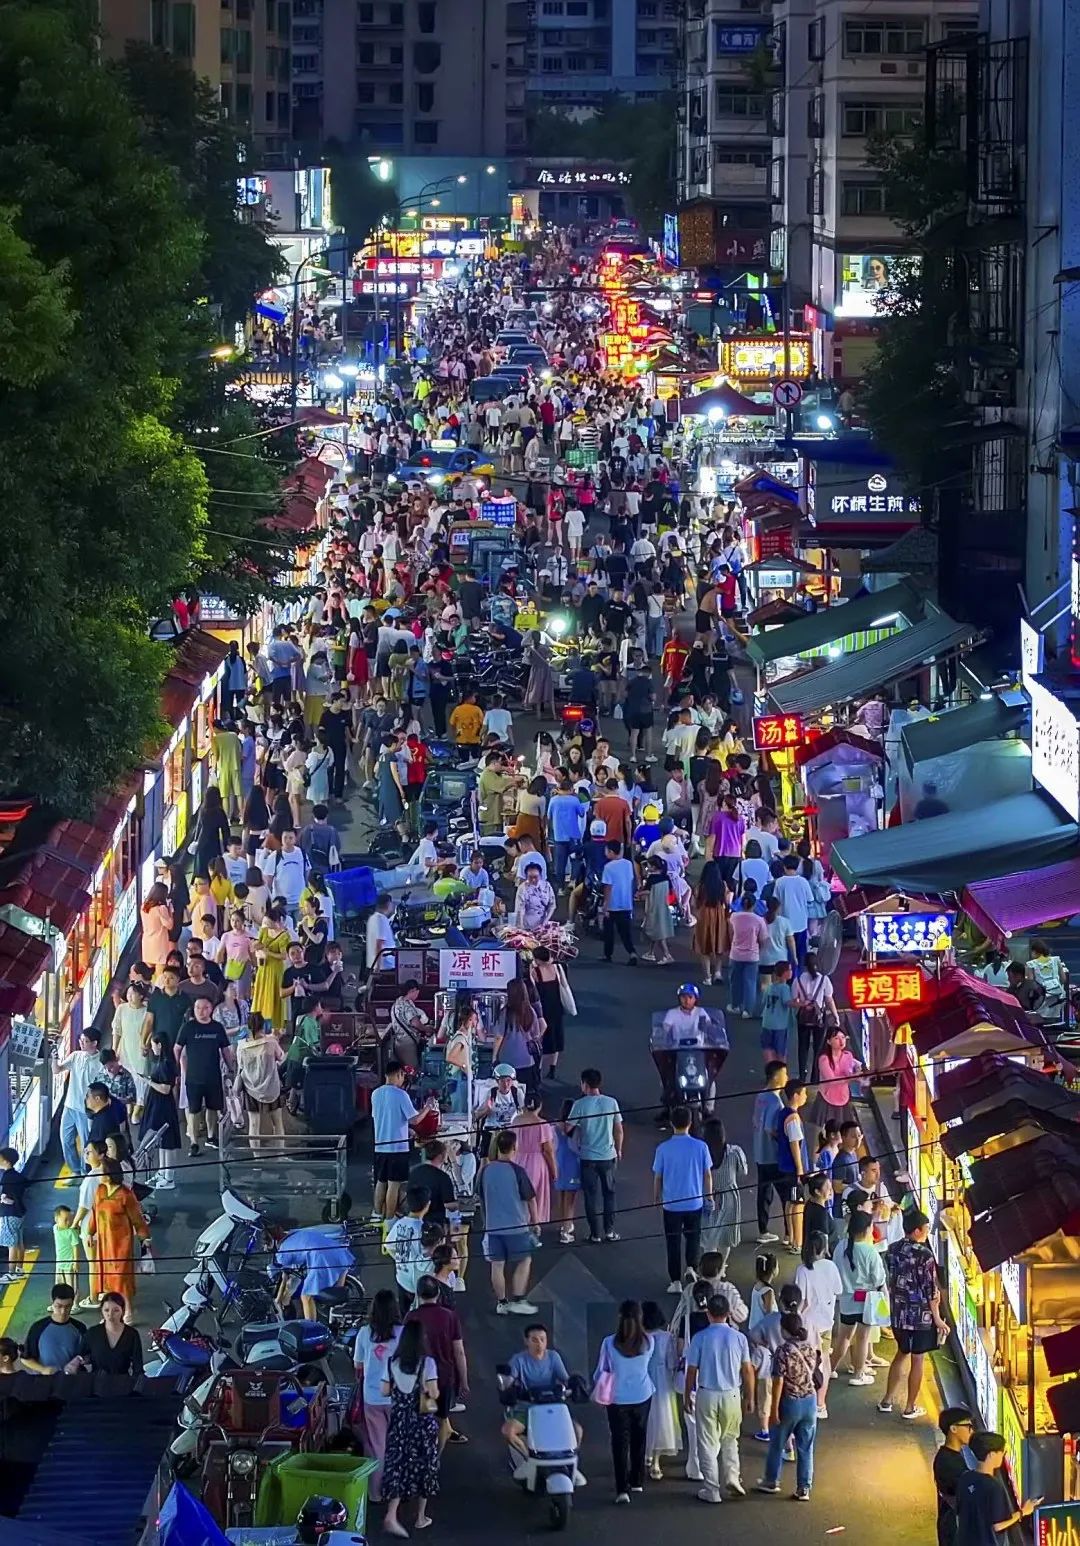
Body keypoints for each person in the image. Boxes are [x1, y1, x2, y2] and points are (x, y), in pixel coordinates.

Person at [684, 1291, 755, 1503]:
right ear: (729, 1313)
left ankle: (711, 1488)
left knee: (706, 1442)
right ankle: (733, 1477)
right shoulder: (739, 1338)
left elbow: (691, 1371)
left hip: (706, 1393)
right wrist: (750, 1397)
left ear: (708, 1313)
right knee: (730, 1438)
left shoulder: (699, 1338)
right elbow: (748, 1370)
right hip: (732, 1394)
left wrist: (688, 1395)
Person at [879, 1207, 947, 1419]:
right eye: (926, 1228)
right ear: (917, 1231)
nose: (927, 1231)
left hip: (898, 1314)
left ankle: (887, 1400)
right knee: (918, 1359)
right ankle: (909, 1407)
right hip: (921, 1318)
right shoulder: (925, 1255)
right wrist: (938, 1319)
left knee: (901, 1353)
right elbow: (930, 1291)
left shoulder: (892, 1249)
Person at [380, 1319, 441, 1538]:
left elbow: (384, 1391)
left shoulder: (391, 1363)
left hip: (399, 1422)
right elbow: (434, 1394)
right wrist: (424, 1387)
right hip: (422, 1423)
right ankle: (420, 1517)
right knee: (425, 1466)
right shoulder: (428, 1364)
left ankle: (391, 1514)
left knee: (398, 1464)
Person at [593, 1300, 655, 1504]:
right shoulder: (649, 1342)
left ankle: (622, 1490)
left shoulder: (609, 1343)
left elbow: (601, 1371)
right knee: (640, 1438)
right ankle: (636, 1481)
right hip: (643, 1395)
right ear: (640, 1318)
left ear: (620, 1318)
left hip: (617, 1399)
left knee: (620, 1442)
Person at [755, 1312, 820, 1502]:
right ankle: (804, 1488)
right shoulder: (809, 1347)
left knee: (777, 1443)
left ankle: (771, 1481)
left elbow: (778, 1383)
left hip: (790, 1402)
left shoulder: (782, 1352)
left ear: (783, 1330)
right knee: (806, 1447)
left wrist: (774, 1409)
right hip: (810, 1401)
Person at [652, 1105, 713, 1292]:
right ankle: (692, 1268)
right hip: (695, 1201)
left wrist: (657, 1197)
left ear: (671, 1123)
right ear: (690, 1123)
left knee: (673, 1242)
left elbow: (658, 1177)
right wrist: (709, 1195)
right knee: (693, 1237)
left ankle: (675, 1281)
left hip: (671, 1204)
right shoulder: (701, 1147)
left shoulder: (663, 1148)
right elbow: (708, 1174)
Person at [479, 1128, 539, 1315]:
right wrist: (535, 1223)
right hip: (516, 1227)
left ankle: (502, 1303)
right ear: (514, 1147)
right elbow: (530, 1198)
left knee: (497, 1266)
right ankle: (519, 1299)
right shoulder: (518, 1171)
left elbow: (479, 1196)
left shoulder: (485, 1170)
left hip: (492, 1228)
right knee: (524, 1259)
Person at [406, 1275, 469, 1451]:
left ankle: (422, 1454)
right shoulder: (450, 1317)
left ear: (418, 1295)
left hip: (420, 1381)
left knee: (423, 1417)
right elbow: (459, 1351)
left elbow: (405, 1350)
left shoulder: (411, 1317)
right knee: (442, 1418)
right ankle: (436, 1458)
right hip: (445, 1377)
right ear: (438, 1293)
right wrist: (464, 1380)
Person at [353, 1288, 402, 1503]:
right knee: (398, 1443)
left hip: (372, 1398)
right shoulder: (403, 1333)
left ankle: (375, 1493)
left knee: (376, 1446)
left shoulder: (364, 1333)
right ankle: (397, 1491)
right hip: (399, 1397)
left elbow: (358, 1365)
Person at [503, 1322, 578, 1461]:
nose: (539, 1344)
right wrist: (508, 1388)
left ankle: (568, 1461)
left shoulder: (553, 1357)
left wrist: (574, 1385)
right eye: (534, 1340)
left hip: (552, 1408)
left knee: (577, 1431)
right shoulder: (518, 1360)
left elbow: (565, 1379)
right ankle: (529, 1459)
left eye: (543, 1339)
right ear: (526, 1341)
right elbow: (508, 1381)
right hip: (527, 1408)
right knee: (508, 1431)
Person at [371, 1061, 434, 1223]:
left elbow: (386, 1119)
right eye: (403, 1076)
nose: (403, 1079)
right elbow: (414, 1119)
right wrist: (427, 1108)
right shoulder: (400, 1095)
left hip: (380, 1146)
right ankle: (390, 1219)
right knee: (394, 1185)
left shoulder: (375, 1094)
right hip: (397, 1148)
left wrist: (407, 1131)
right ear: (398, 1074)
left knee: (381, 1181)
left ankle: (377, 1215)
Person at [86, 1159, 150, 1317]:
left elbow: (137, 1218)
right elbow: (95, 1212)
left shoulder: (125, 1195)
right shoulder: (100, 1190)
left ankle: (128, 1310)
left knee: (121, 1278)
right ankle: (111, 1313)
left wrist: (144, 1237)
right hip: (104, 1244)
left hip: (121, 1244)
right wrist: (90, 1232)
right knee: (107, 1278)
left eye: (102, 1171)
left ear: (109, 1174)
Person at [954, 1431, 1042, 1544]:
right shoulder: (994, 1487)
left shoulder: (965, 1478)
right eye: (1001, 1451)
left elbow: (958, 1514)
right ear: (991, 1455)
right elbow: (998, 1525)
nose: (1004, 1454)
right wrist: (1023, 1512)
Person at [830, 1209, 887, 1385]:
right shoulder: (870, 1252)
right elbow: (878, 1279)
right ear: (866, 1229)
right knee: (863, 1337)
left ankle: (829, 1368)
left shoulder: (841, 1246)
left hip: (847, 1299)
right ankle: (858, 1374)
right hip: (866, 1299)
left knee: (844, 1337)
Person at [567, 1067, 622, 1244]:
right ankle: (610, 1231)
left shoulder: (579, 1104)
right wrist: (619, 1149)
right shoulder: (611, 1102)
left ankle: (595, 1234)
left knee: (590, 1196)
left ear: (585, 1084)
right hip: (608, 1156)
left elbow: (568, 1127)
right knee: (609, 1195)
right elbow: (619, 1130)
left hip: (588, 1157)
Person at [794, 1230, 843, 1418]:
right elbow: (838, 1290)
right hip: (825, 1324)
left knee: (805, 1364)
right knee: (823, 1363)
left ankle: (805, 1400)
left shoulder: (802, 1270)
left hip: (806, 1326)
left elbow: (802, 1301)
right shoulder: (830, 1267)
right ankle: (821, 1404)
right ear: (824, 1248)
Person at [175, 996, 231, 1155]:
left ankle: (211, 1136)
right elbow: (177, 1048)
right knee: (193, 1110)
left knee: (213, 1108)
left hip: (213, 1075)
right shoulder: (188, 1027)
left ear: (211, 1009)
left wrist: (230, 1068)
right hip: (193, 1077)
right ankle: (193, 1141)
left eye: (205, 1008)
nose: (201, 1011)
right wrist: (180, 1068)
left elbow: (226, 1049)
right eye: (198, 1008)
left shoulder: (217, 1028)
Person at [56, 1027, 104, 1180]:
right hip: (69, 1106)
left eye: (85, 1041)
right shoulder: (76, 1056)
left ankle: (85, 1172)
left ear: (95, 1043)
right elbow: (57, 1070)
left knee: (86, 1144)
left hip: (86, 1111)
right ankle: (75, 1169)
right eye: (81, 1040)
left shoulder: (100, 1063)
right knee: (66, 1140)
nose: (81, 1043)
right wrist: (53, 1057)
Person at [701, 1118, 747, 1275]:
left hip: (709, 1196)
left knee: (709, 1236)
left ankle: (709, 1269)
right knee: (726, 1237)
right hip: (729, 1198)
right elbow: (743, 1171)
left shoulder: (703, 1154)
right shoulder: (734, 1152)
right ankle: (721, 1267)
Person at [236, 1012, 285, 1152]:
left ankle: (256, 1158)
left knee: (253, 1124)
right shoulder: (271, 1042)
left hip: (250, 1088)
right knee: (277, 1123)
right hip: (271, 1087)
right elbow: (281, 1058)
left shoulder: (241, 1046)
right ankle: (279, 1154)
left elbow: (240, 1065)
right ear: (264, 1025)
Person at [752, 1060, 787, 1244]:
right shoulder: (775, 1101)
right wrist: (784, 1139)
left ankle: (763, 1229)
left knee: (764, 1192)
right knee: (787, 1194)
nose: (786, 1077)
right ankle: (791, 1232)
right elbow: (770, 1128)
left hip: (759, 1152)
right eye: (784, 1074)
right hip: (772, 1155)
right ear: (775, 1078)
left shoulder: (761, 1096)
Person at [141, 1029, 181, 1190]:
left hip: (163, 1105)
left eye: (153, 1045)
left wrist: (148, 1081)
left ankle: (169, 1176)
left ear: (160, 1045)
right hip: (159, 1105)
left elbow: (165, 1089)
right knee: (161, 1140)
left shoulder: (166, 1064)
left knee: (167, 1141)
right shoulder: (162, 1062)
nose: (152, 1048)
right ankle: (162, 1171)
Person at [774, 1079, 810, 1252]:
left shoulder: (782, 1113)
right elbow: (795, 1144)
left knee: (789, 1202)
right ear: (796, 1095)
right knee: (798, 1204)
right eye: (804, 1093)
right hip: (792, 1168)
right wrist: (800, 1169)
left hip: (783, 1165)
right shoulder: (794, 1118)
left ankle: (790, 1238)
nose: (806, 1096)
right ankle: (798, 1243)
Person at [21, 1284, 87, 1374]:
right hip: (44, 1381)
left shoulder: (80, 1328)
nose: (63, 1311)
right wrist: (43, 1369)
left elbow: (87, 1355)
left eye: (68, 1306)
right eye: (59, 1306)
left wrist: (80, 1361)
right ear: (52, 1303)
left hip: (71, 1380)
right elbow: (26, 1358)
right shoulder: (38, 1328)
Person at [933, 1407, 976, 1546]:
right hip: (954, 1532)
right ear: (954, 1429)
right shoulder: (949, 1464)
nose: (972, 1431)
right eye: (968, 1426)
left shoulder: (948, 1456)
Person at [793, 952, 838, 1084]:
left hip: (803, 1016)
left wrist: (803, 1003)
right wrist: (835, 1016)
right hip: (819, 1017)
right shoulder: (824, 980)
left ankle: (802, 1076)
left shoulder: (798, 980)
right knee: (818, 1048)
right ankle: (815, 1077)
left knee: (803, 1047)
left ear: (805, 966)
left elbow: (795, 1000)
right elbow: (829, 1000)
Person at [512, 1091, 556, 1225]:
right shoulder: (542, 1124)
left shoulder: (516, 1121)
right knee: (535, 1197)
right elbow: (548, 1150)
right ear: (539, 1106)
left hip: (518, 1159)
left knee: (519, 1196)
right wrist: (554, 1171)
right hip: (537, 1162)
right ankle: (534, 1227)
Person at [79, 1292, 144, 1375]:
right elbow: (79, 1358)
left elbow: (138, 1367)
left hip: (121, 1383)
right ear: (101, 1311)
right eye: (106, 1310)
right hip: (97, 1384)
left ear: (122, 1311)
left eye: (116, 1310)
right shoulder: (93, 1333)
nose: (110, 1314)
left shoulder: (132, 1335)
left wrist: (135, 1386)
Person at [692, 860, 729, 986]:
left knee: (704, 947)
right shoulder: (722, 885)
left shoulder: (700, 886)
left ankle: (707, 976)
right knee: (720, 945)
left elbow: (694, 904)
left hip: (704, 917)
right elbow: (727, 902)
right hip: (719, 917)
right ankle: (718, 973)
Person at [600, 840, 638, 965]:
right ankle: (632, 953)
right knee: (625, 933)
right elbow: (632, 881)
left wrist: (605, 906)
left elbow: (608, 887)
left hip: (613, 905)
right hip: (626, 903)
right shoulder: (628, 864)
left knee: (609, 932)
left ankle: (608, 955)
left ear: (611, 852)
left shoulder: (608, 867)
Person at [0, 1147, 27, 1285]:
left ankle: (11, 1273)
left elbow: (6, 1198)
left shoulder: (6, 1177)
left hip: (9, 1213)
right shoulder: (18, 1176)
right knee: (19, 1242)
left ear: (6, 1161)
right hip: (20, 1213)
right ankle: (19, 1270)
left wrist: (2, 1199)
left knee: (11, 1244)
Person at [366, 890, 397, 975]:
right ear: (388, 904)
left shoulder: (372, 918)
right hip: (385, 966)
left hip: (375, 964)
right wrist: (378, 966)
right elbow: (379, 943)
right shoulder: (381, 919)